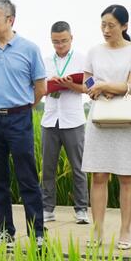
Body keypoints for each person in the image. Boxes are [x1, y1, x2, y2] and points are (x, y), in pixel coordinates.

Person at [0, 0, 48, 249]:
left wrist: (22, 106)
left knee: (27, 177)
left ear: (10, 19)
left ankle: (37, 233)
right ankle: (4, 232)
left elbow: (40, 88)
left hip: (19, 118)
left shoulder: (29, 49)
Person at [82, 5, 131, 249]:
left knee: (126, 175)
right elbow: (87, 81)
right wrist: (97, 89)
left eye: (111, 25)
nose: (106, 30)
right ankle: (97, 230)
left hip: (125, 120)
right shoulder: (94, 51)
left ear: (124, 26)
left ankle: (125, 230)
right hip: (99, 116)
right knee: (98, 175)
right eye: (103, 25)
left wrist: (105, 86)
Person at [40, 21, 89, 225]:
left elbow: (89, 87)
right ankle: (47, 208)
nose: (60, 45)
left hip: (73, 120)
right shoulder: (44, 61)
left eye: (63, 41)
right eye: (55, 42)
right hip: (50, 119)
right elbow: (37, 88)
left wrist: (70, 84)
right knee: (48, 167)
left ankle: (81, 209)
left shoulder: (83, 60)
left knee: (78, 166)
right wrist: (50, 84)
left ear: (71, 38)